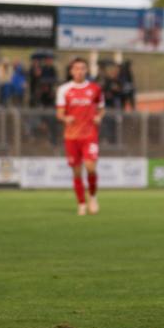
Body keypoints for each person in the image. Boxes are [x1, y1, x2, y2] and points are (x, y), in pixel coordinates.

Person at [56, 58, 104, 216]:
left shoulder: (95, 89)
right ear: (71, 71)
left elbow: (101, 108)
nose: (79, 71)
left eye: (82, 68)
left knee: (91, 168)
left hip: (90, 135)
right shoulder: (64, 90)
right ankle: (81, 203)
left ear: (86, 70)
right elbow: (59, 114)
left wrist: (99, 117)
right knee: (77, 172)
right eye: (76, 68)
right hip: (71, 136)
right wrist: (65, 118)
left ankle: (92, 196)